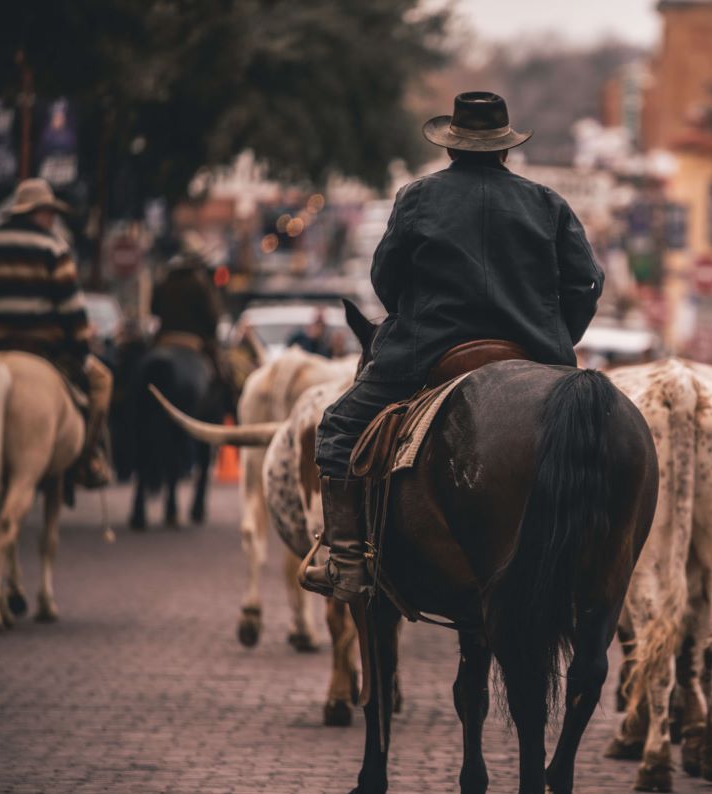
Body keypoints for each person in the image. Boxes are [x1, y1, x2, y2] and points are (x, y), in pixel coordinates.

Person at [303, 91, 604, 603]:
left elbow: (386, 279)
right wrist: (553, 341)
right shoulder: (547, 202)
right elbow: (586, 283)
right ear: (506, 149)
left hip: (429, 352)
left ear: (451, 148)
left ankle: (348, 559)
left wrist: (416, 316)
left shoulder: (418, 197)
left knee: (339, 426)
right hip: (534, 354)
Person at [0, 178, 111, 487]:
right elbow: (71, 310)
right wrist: (82, 349)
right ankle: (88, 461)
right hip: (43, 349)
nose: (52, 219)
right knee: (103, 383)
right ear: (36, 213)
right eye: (48, 212)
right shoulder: (53, 248)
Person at [150, 246, 229, 397]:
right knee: (222, 377)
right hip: (192, 340)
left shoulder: (164, 281)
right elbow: (212, 317)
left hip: (165, 338)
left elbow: (153, 310)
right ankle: (228, 410)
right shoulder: (200, 283)